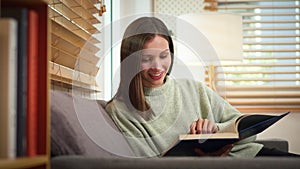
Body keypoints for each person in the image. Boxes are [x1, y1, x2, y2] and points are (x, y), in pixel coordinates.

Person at [105, 16, 299, 158]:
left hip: (246, 157)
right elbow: (150, 163)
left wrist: (215, 130)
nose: (158, 67)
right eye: (147, 59)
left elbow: (247, 135)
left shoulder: (193, 89)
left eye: (164, 56)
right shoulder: (121, 111)